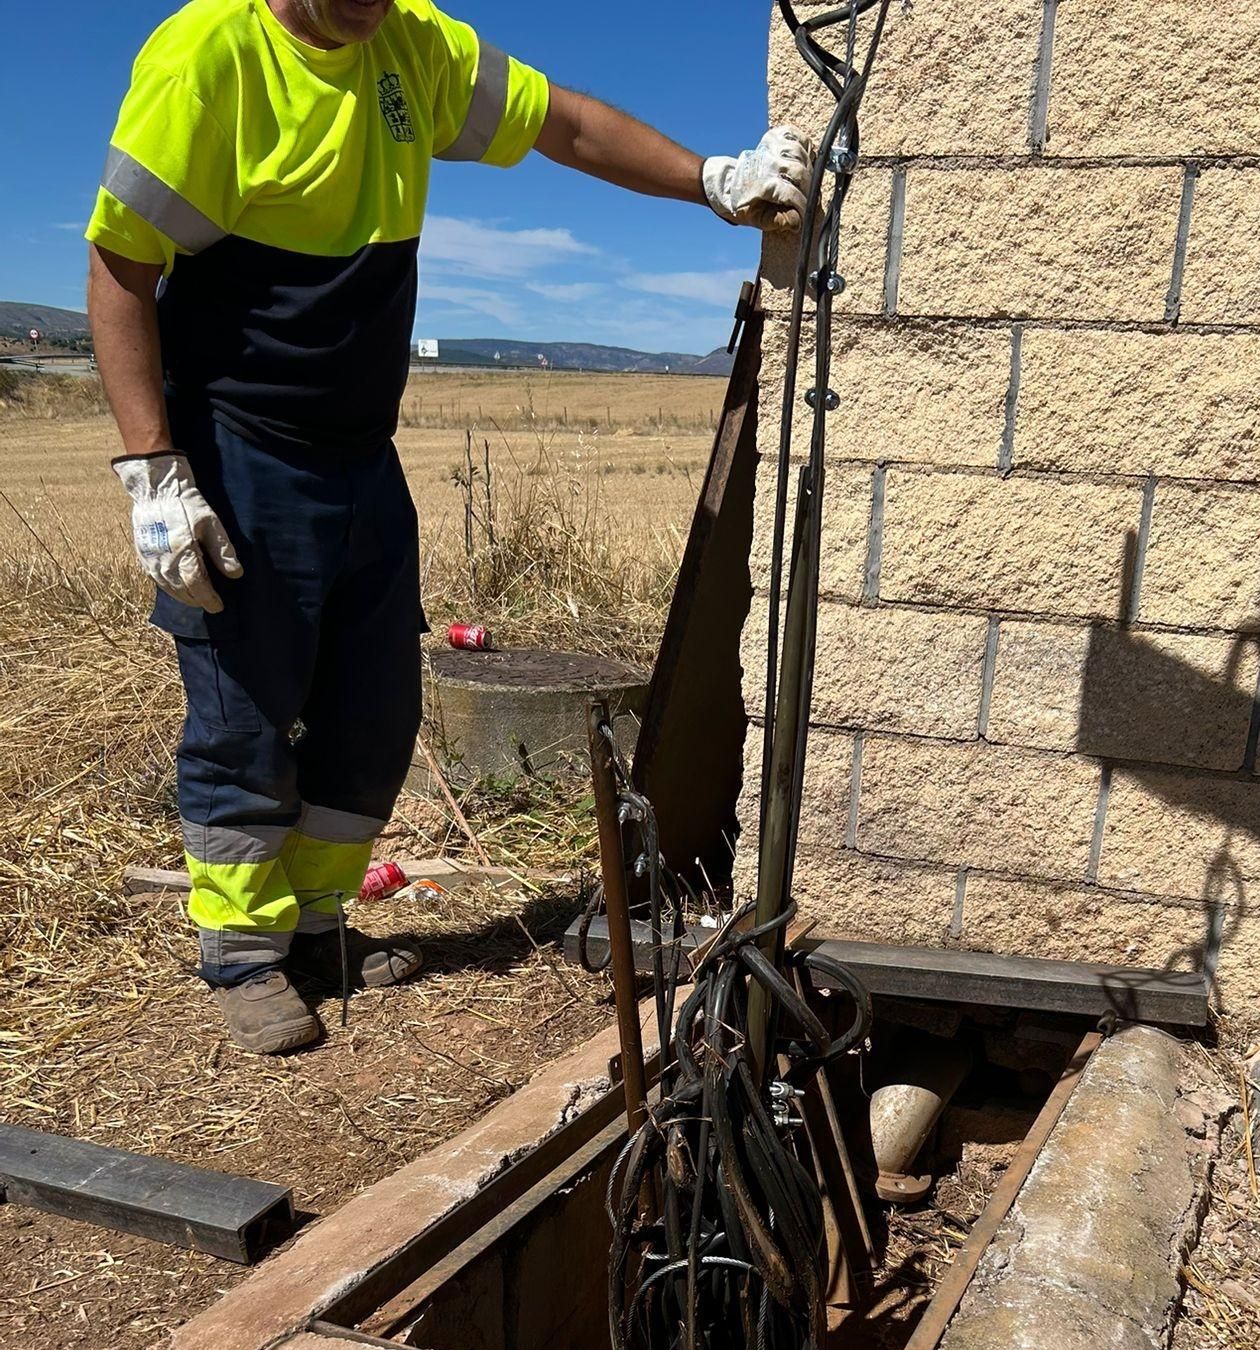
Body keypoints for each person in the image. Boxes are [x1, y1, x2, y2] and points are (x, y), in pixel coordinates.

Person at [86, 0, 810, 1055]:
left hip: (358, 449)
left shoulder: (413, 46)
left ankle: (319, 931)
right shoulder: (208, 56)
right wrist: (154, 471)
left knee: (373, 711)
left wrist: (710, 181)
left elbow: (565, 125)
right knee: (247, 705)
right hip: (236, 440)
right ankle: (242, 951)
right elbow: (119, 272)